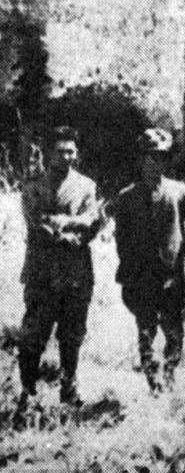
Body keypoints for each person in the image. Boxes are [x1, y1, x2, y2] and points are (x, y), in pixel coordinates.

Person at [17, 127, 103, 410]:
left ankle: (69, 389)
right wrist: (70, 226)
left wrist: (63, 224)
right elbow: (37, 224)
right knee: (34, 335)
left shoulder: (87, 186)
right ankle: (28, 391)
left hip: (76, 275)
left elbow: (92, 222)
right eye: (61, 151)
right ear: (49, 152)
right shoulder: (33, 186)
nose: (67, 157)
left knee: (72, 335)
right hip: (42, 273)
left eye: (71, 151)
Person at [114, 127, 185, 390]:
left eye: (162, 157)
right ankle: (153, 381)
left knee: (175, 333)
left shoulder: (181, 193)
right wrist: (131, 273)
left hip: (173, 279)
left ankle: (170, 375)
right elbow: (122, 240)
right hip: (142, 279)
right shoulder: (127, 198)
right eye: (151, 157)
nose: (157, 163)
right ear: (141, 159)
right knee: (146, 332)